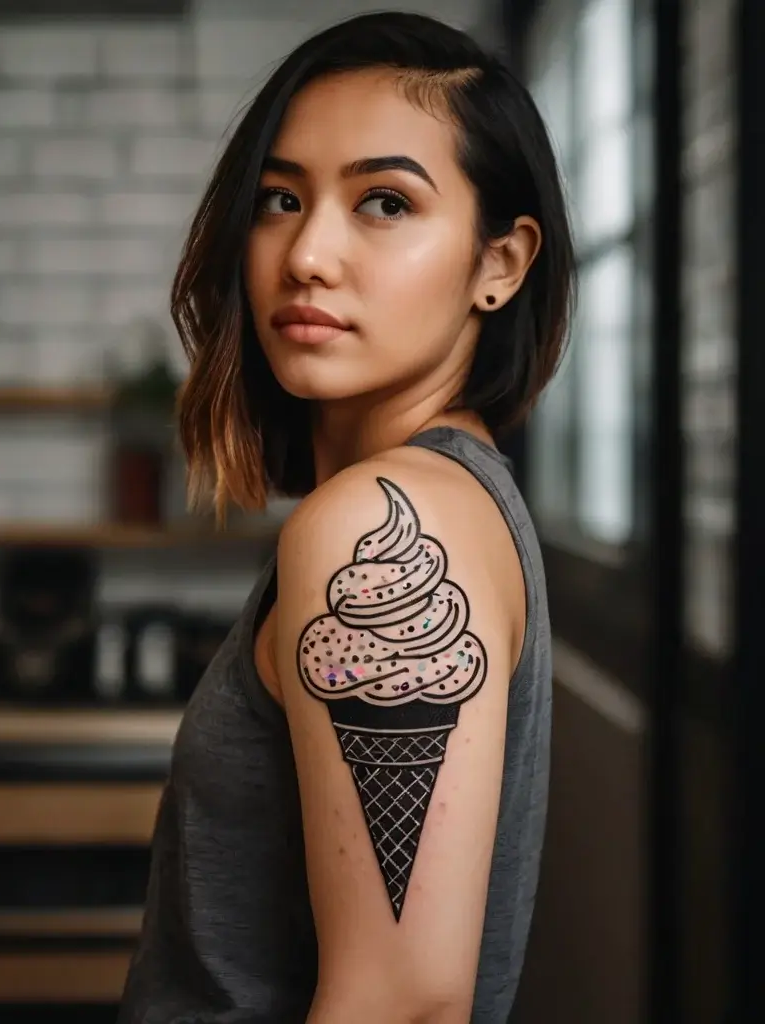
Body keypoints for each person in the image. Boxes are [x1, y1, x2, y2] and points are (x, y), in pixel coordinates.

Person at [117, 10, 574, 1024]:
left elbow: (402, 1005)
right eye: (280, 197)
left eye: (382, 201)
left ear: (499, 264)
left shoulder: (383, 517)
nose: (308, 252)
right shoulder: (465, 496)